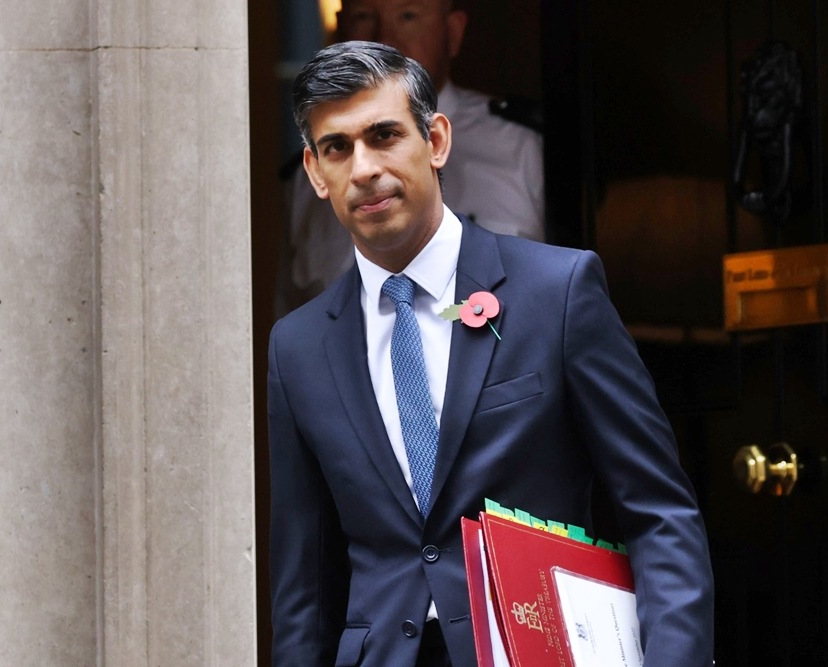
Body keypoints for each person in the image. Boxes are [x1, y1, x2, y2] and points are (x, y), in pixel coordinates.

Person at [268, 42, 714, 667]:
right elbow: (304, 586)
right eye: (338, 148)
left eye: (385, 134)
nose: (363, 167)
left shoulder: (557, 293)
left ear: (438, 140)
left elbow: (658, 511)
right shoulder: (297, 347)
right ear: (315, 172)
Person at [275, 0, 544, 317]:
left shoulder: (526, 146)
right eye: (363, 17)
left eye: (407, 16)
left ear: (453, 32)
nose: (384, 39)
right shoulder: (303, 184)